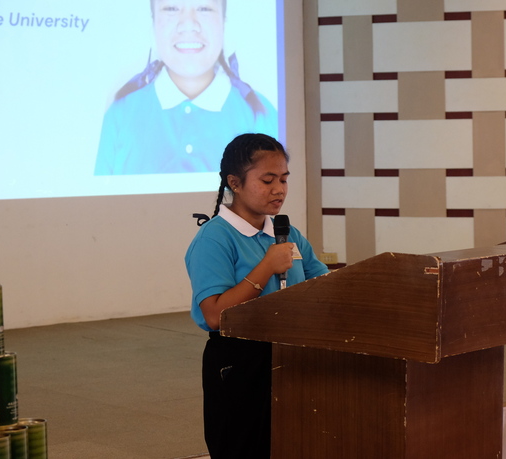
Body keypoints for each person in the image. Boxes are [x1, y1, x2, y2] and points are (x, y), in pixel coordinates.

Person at [184, 133, 329, 458]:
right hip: (239, 364)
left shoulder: (287, 233)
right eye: (267, 180)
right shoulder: (214, 239)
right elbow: (214, 315)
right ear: (234, 182)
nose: (279, 189)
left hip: (291, 357)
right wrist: (265, 267)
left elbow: (323, 284)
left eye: (284, 179)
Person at [94, 0, 278, 175]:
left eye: (204, 8)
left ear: (224, 22)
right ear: (153, 23)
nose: (189, 24)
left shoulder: (259, 114)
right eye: (172, 8)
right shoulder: (120, 114)